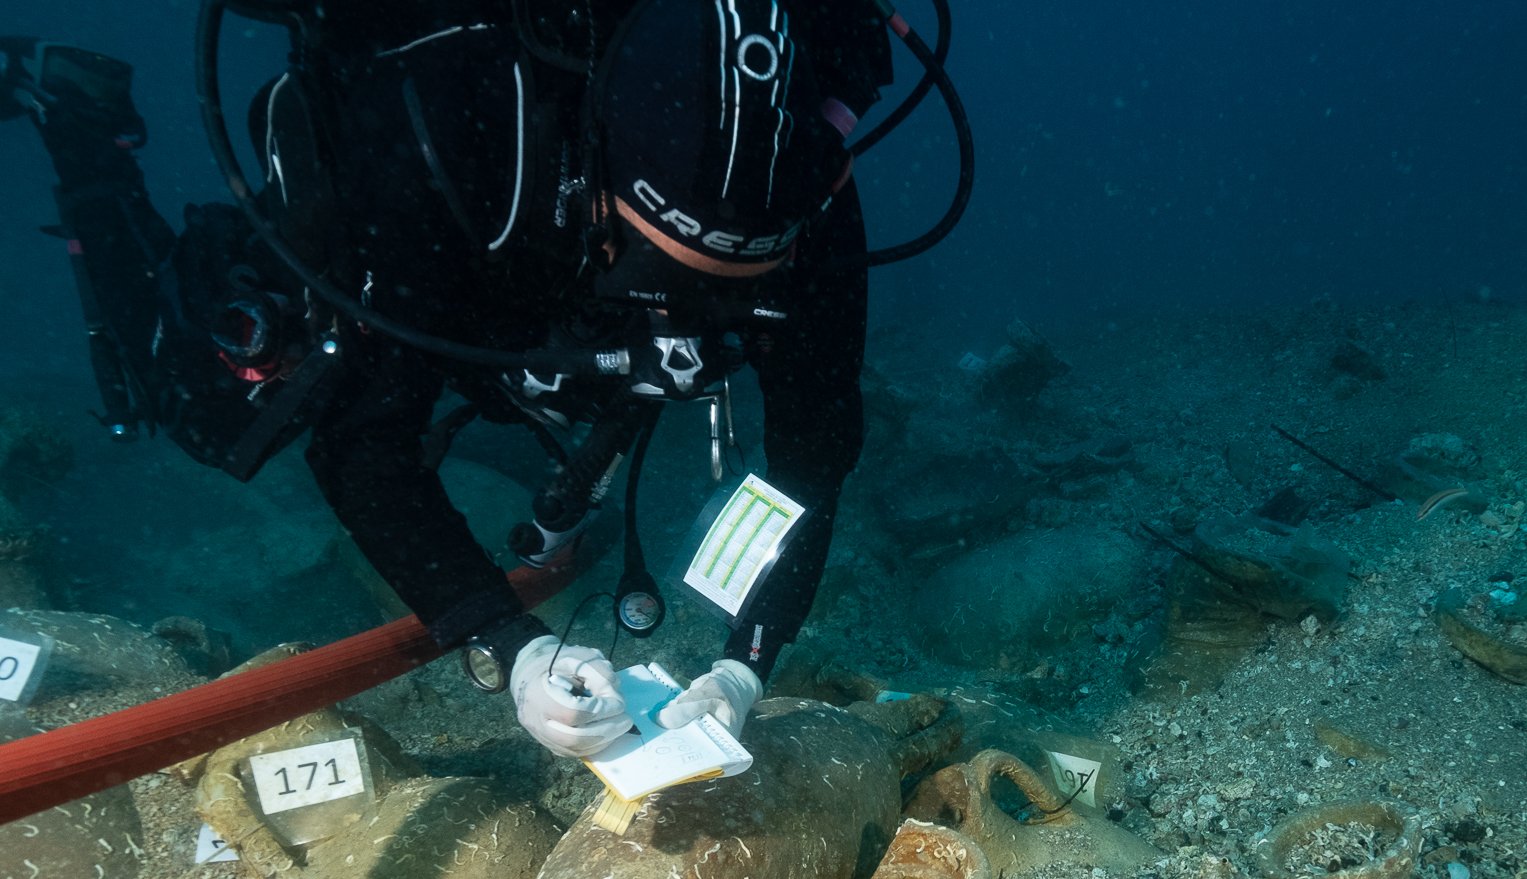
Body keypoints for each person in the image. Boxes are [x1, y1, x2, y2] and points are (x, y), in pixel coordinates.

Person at [0, 0, 899, 757]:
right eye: (657, 280)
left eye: (723, 294)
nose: (684, 326)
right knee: (204, 402)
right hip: (463, 265)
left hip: (544, 302)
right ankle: (81, 129)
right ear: (591, 177)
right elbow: (362, 451)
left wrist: (746, 659)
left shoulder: (806, 184)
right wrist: (511, 645)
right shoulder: (446, 153)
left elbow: (812, 455)